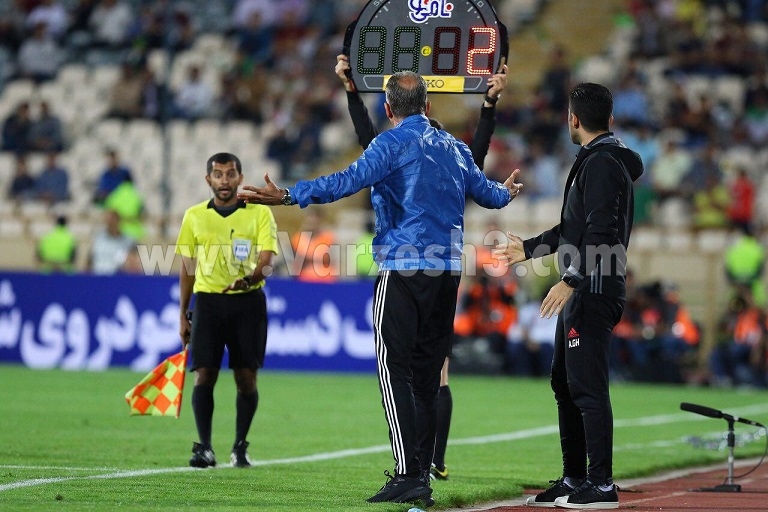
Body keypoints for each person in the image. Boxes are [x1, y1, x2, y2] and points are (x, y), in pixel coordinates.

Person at [238, 71, 522, 505]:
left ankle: (409, 473)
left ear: (388, 109)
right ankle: (420, 474)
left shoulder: (389, 144)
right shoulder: (456, 148)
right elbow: (489, 196)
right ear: (428, 107)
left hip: (404, 267)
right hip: (447, 271)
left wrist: (289, 196)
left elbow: (344, 183)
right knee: (428, 377)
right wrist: (507, 192)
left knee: (394, 370)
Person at [335, 53, 509, 480]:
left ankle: (422, 465)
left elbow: (476, 158)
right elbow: (475, 161)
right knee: (433, 376)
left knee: (413, 375)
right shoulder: (436, 150)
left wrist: (487, 110)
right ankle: (427, 463)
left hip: (412, 264)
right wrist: (353, 94)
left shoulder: (426, 151)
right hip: (442, 267)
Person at [494, 82, 643, 509]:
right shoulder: (603, 160)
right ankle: (576, 477)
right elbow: (573, 231)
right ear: (609, 119)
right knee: (565, 381)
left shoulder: (599, 165)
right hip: (589, 285)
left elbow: (601, 232)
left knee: (586, 386)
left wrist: (571, 279)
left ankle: (601, 484)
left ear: (573, 119)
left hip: (592, 286)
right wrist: (528, 249)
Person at [175, 152, 278, 470]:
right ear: (208, 180)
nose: (224, 180)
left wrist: (247, 278)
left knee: (246, 378)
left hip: (247, 302)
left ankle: (239, 446)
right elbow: (188, 268)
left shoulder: (259, 213)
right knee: (204, 374)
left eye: (230, 174)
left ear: (239, 177)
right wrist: (183, 312)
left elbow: (267, 262)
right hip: (207, 302)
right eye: (217, 175)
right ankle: (204, 447)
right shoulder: (193, 216)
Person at [87, 208, 135, 274]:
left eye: (112, 220)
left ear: (118, 221)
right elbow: (90, 260)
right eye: (108, 220)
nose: (110, 223)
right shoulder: (98, 239)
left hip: (117, 278)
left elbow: (132, 264)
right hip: (97, 277)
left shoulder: (128, 241)